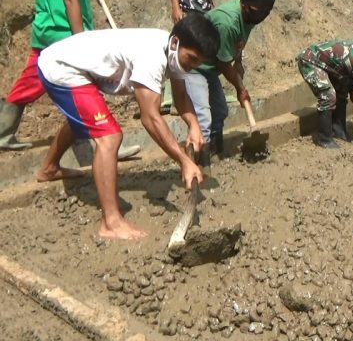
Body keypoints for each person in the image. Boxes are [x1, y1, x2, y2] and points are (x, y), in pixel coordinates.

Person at [36, 15, 220, 240]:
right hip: (63, 68)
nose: (190, 67)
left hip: (77, 66)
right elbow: (150, 118)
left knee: (87, 118)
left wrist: (194, 125)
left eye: (196, 63)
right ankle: (110, 223)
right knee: (110, 136)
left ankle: (49, 169)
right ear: (175, 43)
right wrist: (184, 161)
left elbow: (180, 97)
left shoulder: (175, 52)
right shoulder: (152, 56)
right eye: (190, 59)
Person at [0, 0, 100, 150]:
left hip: (45, 30)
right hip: (64, 34)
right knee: (86, 84)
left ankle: (3, 132)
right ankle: (105, 141)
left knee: (30, 82)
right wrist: (80, 39)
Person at [184, 0, 275, 165]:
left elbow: (238, 42)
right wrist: (240, 89)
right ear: (246, 5)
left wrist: (239, 60)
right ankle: (200, 163)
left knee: (220, 111)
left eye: (267, 12)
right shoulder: (227, 22)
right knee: (203, 117)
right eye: (261, 12)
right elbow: (225, 66)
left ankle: (215, 150)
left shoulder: (250, 16)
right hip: (194, 66)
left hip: (210, 67)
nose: (264, 16)